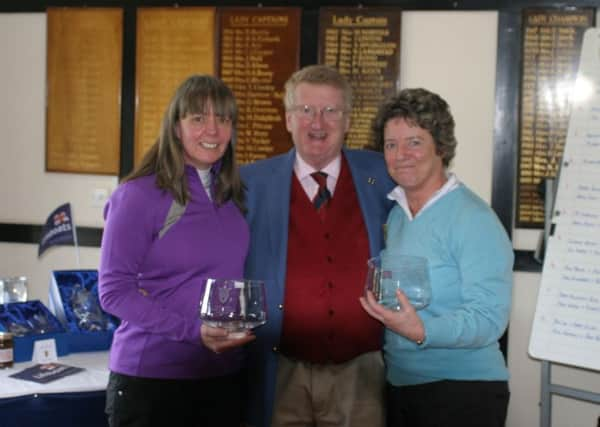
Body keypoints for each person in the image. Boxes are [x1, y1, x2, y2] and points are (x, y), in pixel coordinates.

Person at [241, 64, 395, 427]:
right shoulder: (249, 184)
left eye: (330, 111)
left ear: (347, 120)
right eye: (306, 110)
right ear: (288, 119)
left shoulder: (383, 175)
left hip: (363, 373)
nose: (318, 122)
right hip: (280, 371)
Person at [98, 75, 253, 427]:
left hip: (223, 376)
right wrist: (192, 331)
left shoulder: (231, 195)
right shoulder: (138, 195)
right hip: (152, 382)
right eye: (198, 118)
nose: (212, 130)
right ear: (176, 126)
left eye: (223, 119)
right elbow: (113, 293)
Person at [360, 88, 513, 427]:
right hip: (402, 385)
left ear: (440, 147)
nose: (401, 155)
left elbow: (489, 318)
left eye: (414, 142)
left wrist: (422, 330)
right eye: (391, 144)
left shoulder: (473, 219)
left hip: (462, 393)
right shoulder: (398, 214)